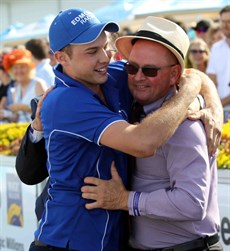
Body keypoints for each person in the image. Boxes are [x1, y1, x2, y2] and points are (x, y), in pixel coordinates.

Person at [15, 8, 223, 251]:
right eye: (92, 51)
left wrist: (211, 105)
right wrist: (189, 94)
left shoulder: (114, 74)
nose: (104, 57)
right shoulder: (64, 101)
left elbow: (185, 73)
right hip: (67, 241)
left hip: (110, 241)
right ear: (61, 58)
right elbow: (143, 143)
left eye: (105, 46)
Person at [81, 16, 223, 251]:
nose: (138, 77)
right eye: (132, 67)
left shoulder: (185, 124)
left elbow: (191, 203)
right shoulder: (139, 107)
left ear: (175, 75)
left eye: (150, 70)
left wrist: (125, 200)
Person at [0, 48, 47, 122]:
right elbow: (16, 117)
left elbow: (46, 111)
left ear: (29, 68)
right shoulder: (16, 88)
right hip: (22, 130)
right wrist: (6, 115)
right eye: (15, 68)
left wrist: (25, 108)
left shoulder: (38, 84)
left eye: (22, 67)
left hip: (37, 131)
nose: (19, 71)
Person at [206, 5, 230, 122]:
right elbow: (211, 79)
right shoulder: (216, 48)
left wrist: (217, 104)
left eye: (229, 21)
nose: (226, 25)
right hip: (221, 111)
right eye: (223, 21)